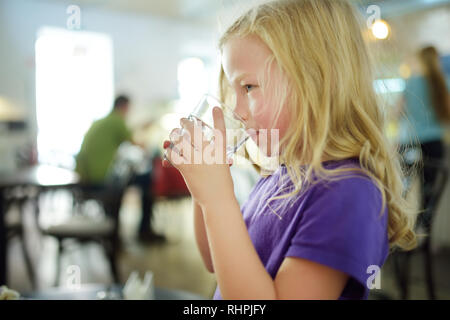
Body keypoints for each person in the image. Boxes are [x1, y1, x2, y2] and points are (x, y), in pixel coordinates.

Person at [163, 0, 418, 300]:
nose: (236, 110)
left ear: (315, 80)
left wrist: (219, 199)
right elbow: (213, 261)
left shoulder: (347, 193)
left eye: (248, 87)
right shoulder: (278, 175)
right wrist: (204, 192)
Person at [76, 95, 164, 242]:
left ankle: (117, 232)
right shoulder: (117, 120)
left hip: (86, 176)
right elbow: (135, 142)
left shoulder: (102, 121)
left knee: (131, 178)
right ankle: (144, 231)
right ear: (124, 107)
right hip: (103, 178)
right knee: (147, 179)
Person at [398, 46, 450, 227]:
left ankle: (405, 231)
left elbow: (397, 112)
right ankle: (423, 231)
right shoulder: (443, 83)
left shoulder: (410, 82)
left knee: (405, 191)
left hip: (409, 144)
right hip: (433, 144)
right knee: (430, 193)